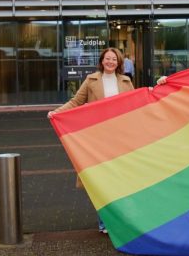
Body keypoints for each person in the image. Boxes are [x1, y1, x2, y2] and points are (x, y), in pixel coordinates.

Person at [47, 47, 133, 234]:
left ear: (119, 63)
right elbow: (76, 102)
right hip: (98, 137)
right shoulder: (92, 80)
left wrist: (152, 92)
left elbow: (134, 105)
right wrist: (57, 112)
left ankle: (120, 220)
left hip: (120, 138)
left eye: (114, 59)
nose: (110, 62)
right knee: (102, 180)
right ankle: (105, 222)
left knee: (119, 180)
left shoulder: (126, 81)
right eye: (107, 59)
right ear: (102, 61)